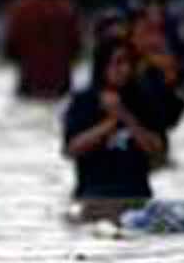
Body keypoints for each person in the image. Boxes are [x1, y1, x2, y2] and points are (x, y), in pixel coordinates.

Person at [63, 37, 164, 209]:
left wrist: (125, 116)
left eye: (128, 63)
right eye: (117, 63)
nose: (124, 70)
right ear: (102, 66)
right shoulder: (84, 100)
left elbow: (157, 151)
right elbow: (71, 150)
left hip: (137, 196)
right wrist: (109, 124)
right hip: (93, 195)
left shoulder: (144, 99)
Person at [3, 0, 82, 99]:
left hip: (29, 80)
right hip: (61, 81)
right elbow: (76, 47)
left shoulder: (19, 9)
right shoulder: (68, 9)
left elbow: (10, 49)